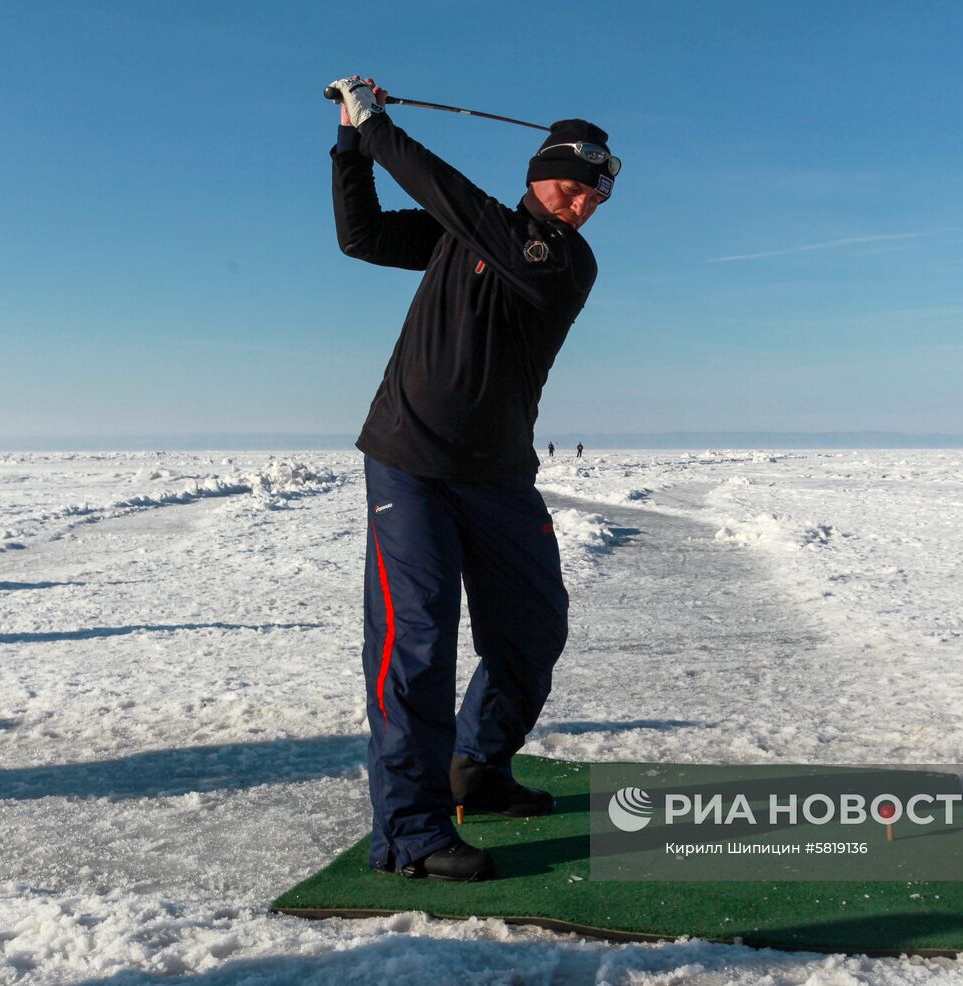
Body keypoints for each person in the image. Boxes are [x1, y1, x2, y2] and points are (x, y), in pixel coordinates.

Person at [328, 76, 618, 882]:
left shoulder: (562, 259)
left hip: (497, 476)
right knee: (415, 642)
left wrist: (376, 124)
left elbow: (450, 195)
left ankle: (476, 766)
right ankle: (411, 834)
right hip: (410, 464)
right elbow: (361, 236)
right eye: (573, 186)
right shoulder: (467, 235)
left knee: (532, 630)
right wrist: (354, 143)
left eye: (596, 197)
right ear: (539, 170)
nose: (583, 204)